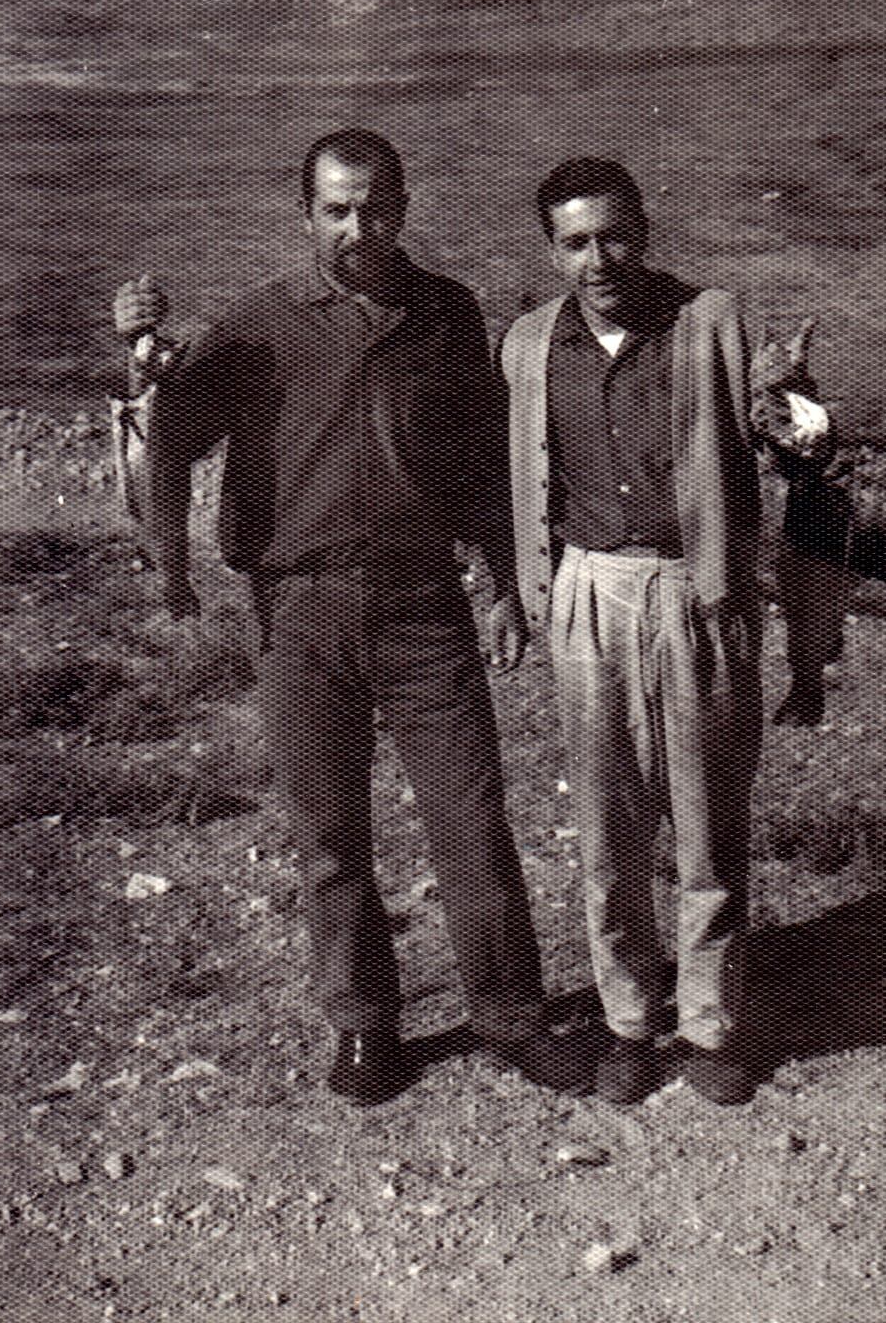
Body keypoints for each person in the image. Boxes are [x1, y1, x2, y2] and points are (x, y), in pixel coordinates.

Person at [114, 129, 593, 1106]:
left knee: (472, 820)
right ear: (306, 218)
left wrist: (505, 583)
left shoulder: (447, 314)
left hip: (426, 610)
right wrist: (143, 365)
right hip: (300, 612)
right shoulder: (257, 325)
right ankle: (366, 1024)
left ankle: (510, 1016)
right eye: (335, 210)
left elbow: (482, 464)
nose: (357, 228)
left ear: (405, 207)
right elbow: (166, 438)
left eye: (374, 206)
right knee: (330, 833)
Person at [498, 157, 837, 1107]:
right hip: (586, 591)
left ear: (644, 232)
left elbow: (793, 441)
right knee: (607, 829)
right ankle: (628, 1020)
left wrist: (798, 412)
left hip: (699, 589)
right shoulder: (526, 345)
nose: (599, 258)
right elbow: (517, 475)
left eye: (615, 235)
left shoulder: (711, 320)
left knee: (707, 821)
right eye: (576, 242)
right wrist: (514, 587)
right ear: (553, 250)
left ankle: (711, 1026)